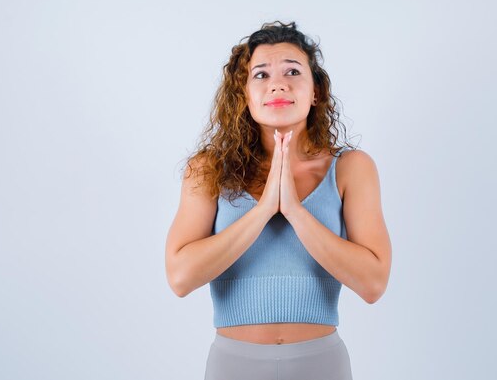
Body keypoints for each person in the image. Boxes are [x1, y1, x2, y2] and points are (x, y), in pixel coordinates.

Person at [165, 21, 392, 380]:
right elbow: (180, 278)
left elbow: (373, 284)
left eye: (292, 71)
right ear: (244, 94)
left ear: (315, 91)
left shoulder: (350, 168)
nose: (278, 83)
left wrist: (295, 212)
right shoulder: (208, 169)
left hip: (321, 364)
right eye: (261, 74)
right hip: (233, 365)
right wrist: (265, 208)